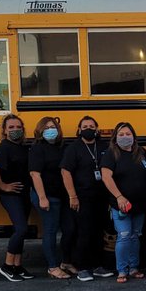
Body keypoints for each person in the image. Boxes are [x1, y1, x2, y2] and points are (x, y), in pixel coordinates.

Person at [61, 115, 115, 282]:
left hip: (101, 197)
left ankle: (97, 265)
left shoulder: (104, 146)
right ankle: (82, 267)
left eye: (91, 126)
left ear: (97, 129)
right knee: (84, 232)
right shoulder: (73, 148)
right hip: (82, 197)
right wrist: (72, 196)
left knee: (99, 232)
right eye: (85, 126)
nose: (88, 128)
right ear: (79, 130)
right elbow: (65, 171)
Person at [101, 122, 146, 284]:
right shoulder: (111, 154)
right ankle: (122, 270)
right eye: (121, 134)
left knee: (135, 236)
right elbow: (106, 177)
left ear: (134, 136)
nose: (125, 137)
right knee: (123, 236)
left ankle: (134, 267)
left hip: (140, 204)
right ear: (115, 137)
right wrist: (119, 197)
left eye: (128, 134)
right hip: (121, 204)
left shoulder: (141, 152)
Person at [0, 114, 34, 282]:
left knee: (21, 230)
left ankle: (17, 265)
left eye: (18, 127)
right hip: (10, 195)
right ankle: (6, 266)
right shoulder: (4, 147)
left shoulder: (22, 147)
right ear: (5, 131)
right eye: (11, 127)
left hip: (23, 194)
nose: (15, 130)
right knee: (21, 229)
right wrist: (3, 185)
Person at [28, 116, 74, 280]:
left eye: (52, 126)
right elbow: (35, 174)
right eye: (46, 128)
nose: (50, 130)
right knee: (50, 230)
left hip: (64, 195)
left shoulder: (63, 147)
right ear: (40, 131)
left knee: (69, 229)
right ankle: (53, 266)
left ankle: (66, 262)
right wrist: (42, 197)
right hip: (47, 196)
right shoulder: (37, 149)